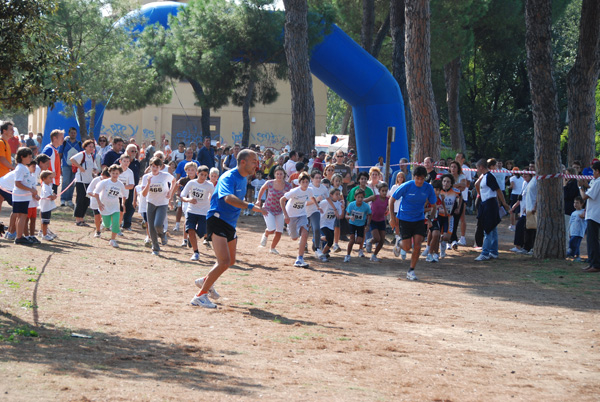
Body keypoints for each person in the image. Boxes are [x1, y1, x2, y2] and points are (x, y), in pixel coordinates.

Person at [190, 149, 266, 308]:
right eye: (254, 161)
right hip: (217, 219)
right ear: (243, 162)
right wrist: (251, 206)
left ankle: (205, 281)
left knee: (230, 261)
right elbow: (228, 198)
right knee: (223, 261)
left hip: (230, 222)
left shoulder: (244, 179)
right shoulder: (228, 177)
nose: (257, 165)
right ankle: (200, 296)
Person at [389, 165, 437, 280]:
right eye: (417, 178)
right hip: (405, 219)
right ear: (414, 177)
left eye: (422, 179)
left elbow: (434, 205)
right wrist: (392, 217)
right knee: (407, 247)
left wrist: (430, 219)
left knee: (418, 245)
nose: (420, 181)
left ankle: (411, 270)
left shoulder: (428, 188)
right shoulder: (407, 186)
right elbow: (392, 200)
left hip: (419, 219)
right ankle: (399, 243)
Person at [280, 172, 320, 268]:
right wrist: (285, 215)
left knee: (305, 233)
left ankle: (300, 258)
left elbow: (312, 197)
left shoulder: (309, 190)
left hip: (302, 214)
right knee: (294, 238)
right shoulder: (294, 191)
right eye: (303, 182)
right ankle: (293, 233)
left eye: (307, 182)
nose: (305, 184)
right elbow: (281, 200)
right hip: (291, 216)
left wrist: (318, 207)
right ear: (299, 182)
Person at [474, 159, 510, 261]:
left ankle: (485, 253)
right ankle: (493, 252)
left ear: (481, 167)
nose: (477, 170)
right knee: (493, 229)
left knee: (488, 229)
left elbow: (498, 190)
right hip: (486, 203)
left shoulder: (489, 176)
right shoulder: (485, 177)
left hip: (490, 204)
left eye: (477, 167)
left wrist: (503, 203)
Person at [142, 157, 175, 255]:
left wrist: (170, 191)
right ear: (150, 166)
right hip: (151, 202)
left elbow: (174, 181)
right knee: (151, 227)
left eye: (157, 166)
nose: (154, 168)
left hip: (162, 203)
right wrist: (148, 183)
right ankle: (155, 248)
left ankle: (162, 234)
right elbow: (143, 194)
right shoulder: (146, 177)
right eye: (153, 166)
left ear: (160, 167)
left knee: (158, 224)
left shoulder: (165, 175)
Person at [181, 165, 215, 261]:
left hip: (204, 212)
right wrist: (189, 199)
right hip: (191, 210)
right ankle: (196, 253)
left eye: (205, 175)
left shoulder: (209, 185)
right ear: (197, 174)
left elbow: (215, 197)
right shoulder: (191, 183)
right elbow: (182, 195)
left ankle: (194, 237)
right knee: (190, 230)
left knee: (202, 232)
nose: (203, 177)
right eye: (201, 175)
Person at [257, 166, 292, 254]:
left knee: (279, 231)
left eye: (281, 174)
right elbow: (262, 189)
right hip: (268, 208)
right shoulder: (270, 183)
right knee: (271, 229)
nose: (279, 176)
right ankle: (266, 234)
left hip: (280, 210)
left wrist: (287, 195)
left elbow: (292, 196)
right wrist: (258, 200)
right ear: (274, 174)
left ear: (284, 174)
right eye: (277, 174)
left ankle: (272, 248)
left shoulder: (288, 185)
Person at [93, 164, 127, 248]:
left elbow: (124, 194)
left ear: (119, 174)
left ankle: (113, 240)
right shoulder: (104, 182)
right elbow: (96, 193)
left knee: (116, 222)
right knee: (108, 224)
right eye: (113, 173)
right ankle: (104, 225)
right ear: (110, 173)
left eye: (117, 173)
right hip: (104, 206)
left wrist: (123, 203)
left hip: (115, 206)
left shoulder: (120, 184)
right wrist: (99, 203)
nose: (115, 175)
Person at [12, 147, 40, 245]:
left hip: (23, 196)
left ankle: (19, 235)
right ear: (22, 157)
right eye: (29, 156)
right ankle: (19, 237)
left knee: (22, 216)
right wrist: (30, 190)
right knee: (22, 216)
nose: (31, 158)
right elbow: (18, 183)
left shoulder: (24, 167)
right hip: (20, 196)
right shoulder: (20, 168)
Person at [579, 161, 600, 272]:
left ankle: (595, 264)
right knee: (592, 240)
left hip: (594, 215)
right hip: (594, 214)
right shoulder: (596, 181)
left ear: (597, 171)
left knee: (592, 240)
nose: (592, 173)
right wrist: (586, 185)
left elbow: (585, 196)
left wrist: (580, 187)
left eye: (593, 171)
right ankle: (592, 262)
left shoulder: (598, 182)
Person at [70, 139, 97, 227]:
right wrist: (80, 167)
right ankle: (78, 219)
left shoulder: (91, 156)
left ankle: (82, 218)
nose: (91, 148)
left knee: (86, 200)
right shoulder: (82, 154)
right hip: (81, 180)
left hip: (89, 180)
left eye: (92, 147)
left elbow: (94, 167)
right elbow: (72, 159)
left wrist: (95, 170)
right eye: (89, 146)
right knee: (80, 199)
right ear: (85, 147)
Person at [343, 188, 371, 262]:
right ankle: (348, 255)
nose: (360, 199)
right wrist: (350, 217)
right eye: (358, 197)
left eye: (362, 197)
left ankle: (359, 247)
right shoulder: (351, 205)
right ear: (355, 197)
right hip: (352, 224)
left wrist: (368, 224)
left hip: (361, 225)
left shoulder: (365, 206)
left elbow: (370, 214)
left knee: (359, 241)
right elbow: (346, 215)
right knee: (352, 240)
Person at [364, 182, 389, 262]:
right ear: (379, 191)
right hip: (373, 220)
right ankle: (369, 241)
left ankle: (374, 255)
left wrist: (388, 211)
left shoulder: (388, 200)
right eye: (383, 191)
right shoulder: (375, 197)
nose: (384, 192)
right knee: (377, 238)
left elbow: (391, 206)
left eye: (386, 191)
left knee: (381, 240)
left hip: (381, 221)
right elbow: (364, 201)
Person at [318, 187, 343, 262]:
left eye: (339, 194)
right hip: (323, 223)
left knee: (331, 241)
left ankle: (322, 253)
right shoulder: (325, 202)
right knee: (329, 237)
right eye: (336, 194)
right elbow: (317, 208)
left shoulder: (338, 204)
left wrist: (343, 208)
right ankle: (320, 241)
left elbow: (340, 216)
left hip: (331, 224)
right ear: (331, 195)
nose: (338, 196)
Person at [58, 127, 82, 207]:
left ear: (76, 134)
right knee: (65, 182)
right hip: (65, 165)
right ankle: (63, 199)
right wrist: (59, 165)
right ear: (69, 133)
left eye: (74, 133)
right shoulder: (64, 143)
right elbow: (60, 154)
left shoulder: (79, 143)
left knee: (72, 183)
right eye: (71, 132)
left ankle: (69, 199)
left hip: (75, 166)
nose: (73, 134)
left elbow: (82, 154)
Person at [88, 168, 110, 238]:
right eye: (104, 178)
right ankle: (97, 231)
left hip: (106, 202)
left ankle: (104, 225)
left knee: (105, 216)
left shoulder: (110, 181)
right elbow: (89, 191)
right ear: (101, 174)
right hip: (95, 201)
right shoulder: (96, 180)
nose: (105, 180)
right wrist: (95, 195)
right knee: (97, 216)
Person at [389, 171, 406, 259]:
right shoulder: (394, 187)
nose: (400, 179)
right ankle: (397, 239)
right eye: (399, 177)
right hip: (395, 209)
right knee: (396, 225)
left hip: (402, 210)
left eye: (401, 177)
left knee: (401, 225)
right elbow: (390, 197)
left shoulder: (405, 187)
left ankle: (400, 241)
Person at [42, 129, 64, 194]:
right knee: (48, 201)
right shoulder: (49, 149)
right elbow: (40, 162)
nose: (63, 139)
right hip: (49, 181)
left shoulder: (55, 149)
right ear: (54, 138)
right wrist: (48, 174)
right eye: (61, 138)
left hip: (54, 181)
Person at [39, 170, 58, 241]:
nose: (51, 179)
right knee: (45, 222)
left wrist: (53, 195)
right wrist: (52, 196)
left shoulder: (48, 186)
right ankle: (44, 235)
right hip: (45, 207)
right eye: (50, 178)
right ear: (44, 178)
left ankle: (43, 233)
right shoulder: (45, 187)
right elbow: (48, 195)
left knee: (45, 221)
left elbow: (51, 195)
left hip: (48, 207)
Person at [567, 196, 586, 261]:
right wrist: (569, 232)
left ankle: (571, 254)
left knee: (573, 243)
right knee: (575, 244)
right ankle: (577, 256)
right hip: (573, 232)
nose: (575, 204)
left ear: (582, 204)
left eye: (577, 203)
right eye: (574, 202)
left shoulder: (583, 212)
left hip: (579, 232)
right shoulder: (573, 213)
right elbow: (570, 223)